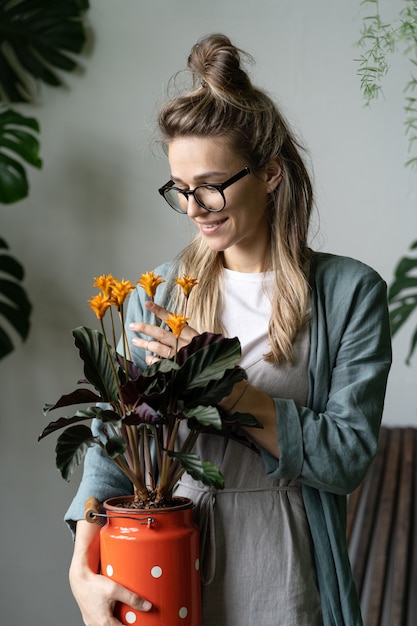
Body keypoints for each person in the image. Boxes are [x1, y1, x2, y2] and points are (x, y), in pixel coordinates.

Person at [65, 33, 392, 626]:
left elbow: (348, 459)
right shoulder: (153, 296)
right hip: (161, 559)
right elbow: (109, 448)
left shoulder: (349, 293)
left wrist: (230, 391)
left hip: (288, 567)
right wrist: (82, 572)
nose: (195, 207)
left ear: (270, 173)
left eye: (211, 184)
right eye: (180, 189)